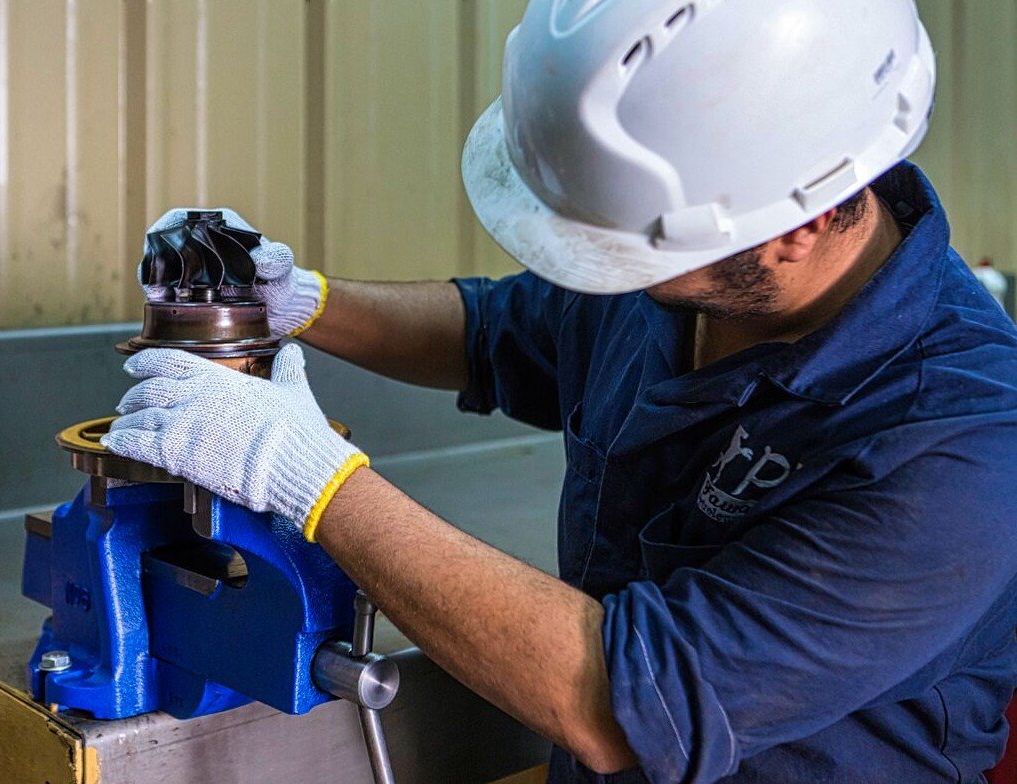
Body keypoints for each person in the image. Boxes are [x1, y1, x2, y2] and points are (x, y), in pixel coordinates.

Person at [101, 0, 1017, 781]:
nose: (602, 271)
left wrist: (306, 474)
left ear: (798, 227)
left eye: (620, 248)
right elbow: (497, 333)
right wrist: (300, 303)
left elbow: (617, 700)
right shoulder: (694, 266)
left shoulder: (961, 447)